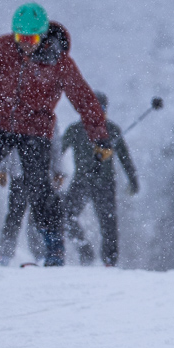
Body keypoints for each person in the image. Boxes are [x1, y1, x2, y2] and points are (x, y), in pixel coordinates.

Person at [0, 4, 108, 266]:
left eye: (32, 38)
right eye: (20, 37)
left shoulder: (59, 62)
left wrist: (100, 137)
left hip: (35, 131)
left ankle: (54, 246)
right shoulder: (1, 48)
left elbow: (83, 99)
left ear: (43, 35)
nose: (25, 44)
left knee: (39, 189)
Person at [61, 92, 138, 266]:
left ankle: (109, 261)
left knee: (108, 223)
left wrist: (133, 179)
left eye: (100, 107)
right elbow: (58, 150)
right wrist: (50, 170)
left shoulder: (112, 130)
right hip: (81, 181)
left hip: (104, 183)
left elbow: (125, 157)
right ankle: (85, 251)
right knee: (66, 216)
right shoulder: (75, 130)